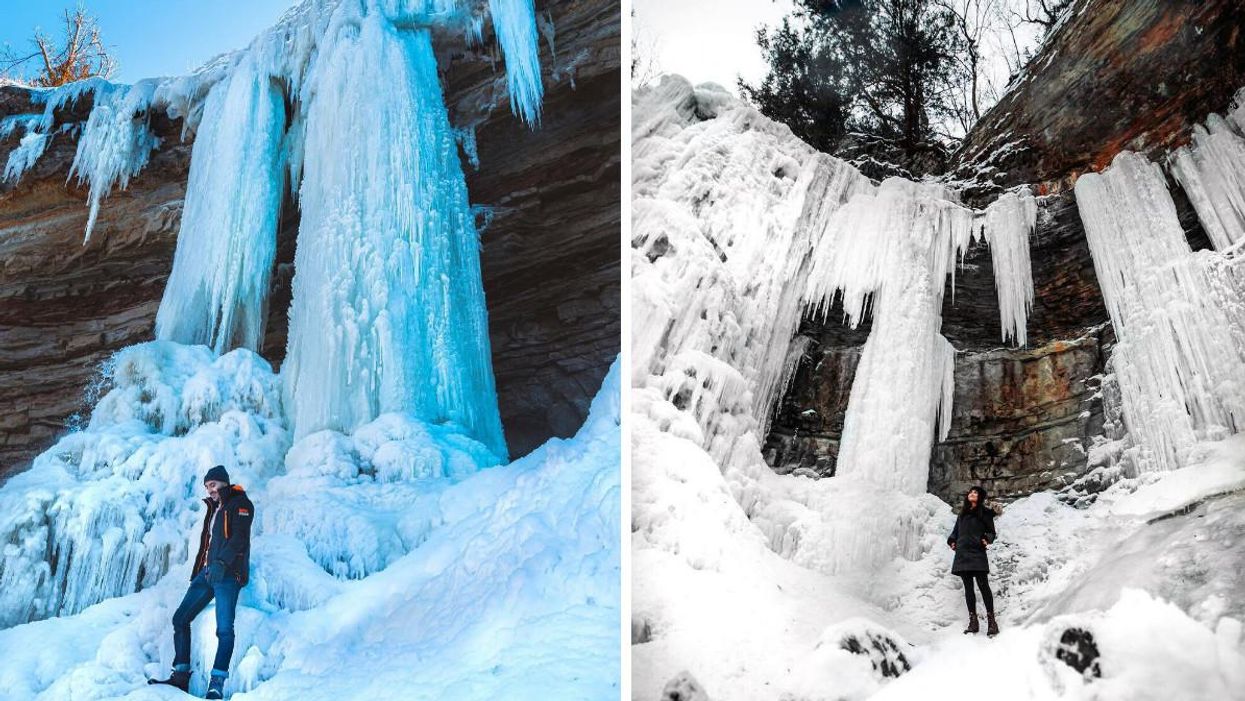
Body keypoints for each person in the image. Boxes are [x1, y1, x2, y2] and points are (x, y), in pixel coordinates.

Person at [148, 465, 254, 699]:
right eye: (207, 486)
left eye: (213, 485)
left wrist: (222, 564)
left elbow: (239, 539)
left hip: (228, 575)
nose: (210, 490)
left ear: (224, 483)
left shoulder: (241, 504)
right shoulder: (216, 507)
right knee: (180, 619)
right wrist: (203, 569)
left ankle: (217, 683)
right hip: (207, 573)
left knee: (225, 630)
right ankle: (181, 677)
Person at [947, 485, 999, 637]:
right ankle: (973, 622)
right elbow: (955, 532)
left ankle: (992, 623)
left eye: (975, 492)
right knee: (968, 588)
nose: (972, 493)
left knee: (983, 586)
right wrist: (952, 541)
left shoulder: (985, 513)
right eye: (970, 492)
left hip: (977, 552)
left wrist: (986, 540)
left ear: (980, 496)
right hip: (962, 554)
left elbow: (991, 532)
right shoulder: (962, 515)